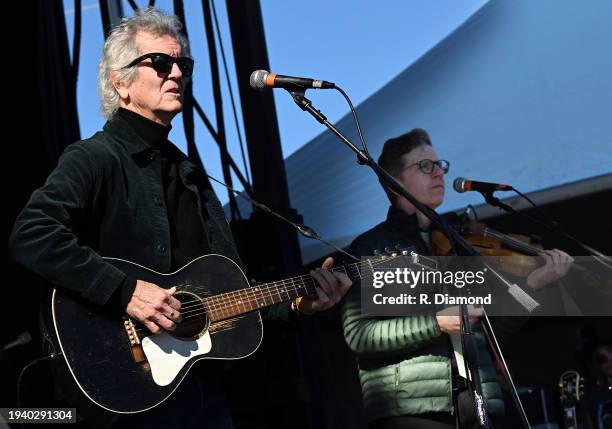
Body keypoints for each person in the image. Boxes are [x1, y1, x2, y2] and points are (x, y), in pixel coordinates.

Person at [9, 7, 351, 428]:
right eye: (160, 62)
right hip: (124, 389)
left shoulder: (189, 173)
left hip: (199, 392)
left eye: (182, 65)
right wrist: (124, 291)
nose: (176, 74)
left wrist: (300, 301)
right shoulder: (94, 158)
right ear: (120, 83)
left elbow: (231, 292)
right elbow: (31, 234)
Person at [341, 128, 573, 429]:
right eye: (426, 166)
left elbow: (489, 334)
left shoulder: (457, 245)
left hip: (476, 408)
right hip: (412, 410)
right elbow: (360, 335)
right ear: (396, 183)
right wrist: (437, 323)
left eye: (440, 165)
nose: (439, 173)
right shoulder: (372, 247)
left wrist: (534, 287)